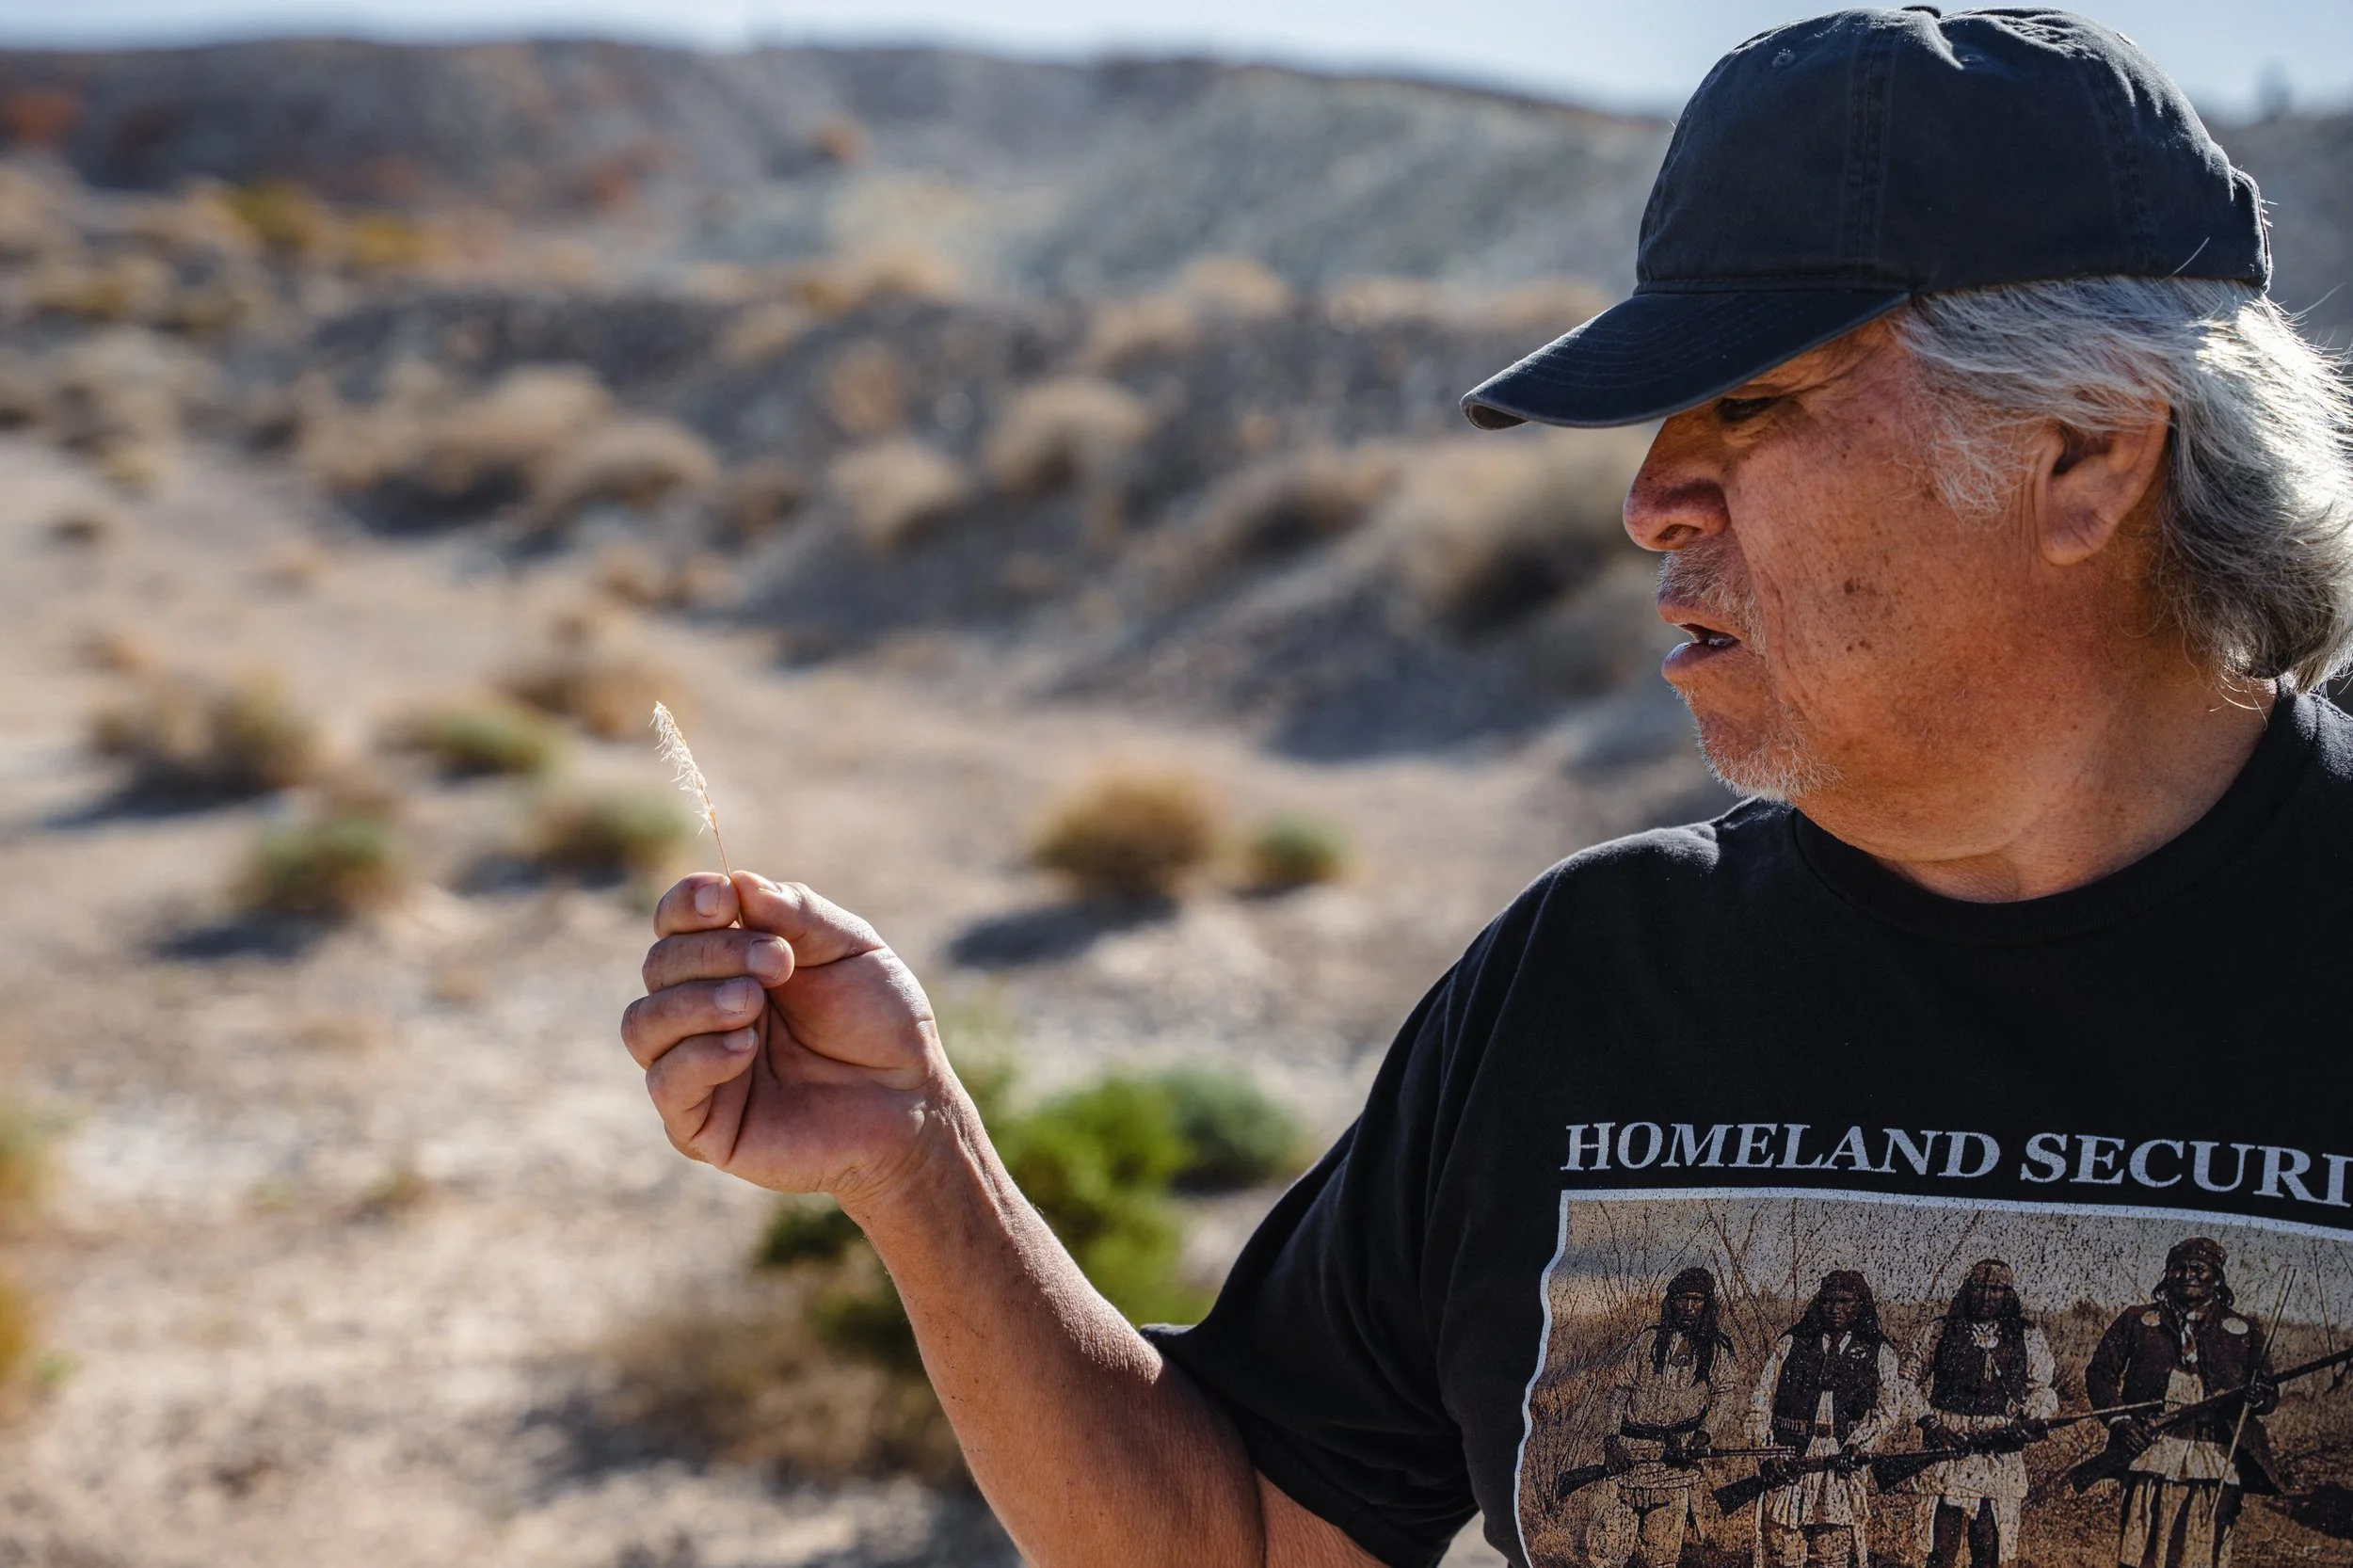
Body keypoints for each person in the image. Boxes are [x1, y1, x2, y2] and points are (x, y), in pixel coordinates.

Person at [619, 10, 2353, 1567]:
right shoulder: (1584, 980)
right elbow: (1238, 1540)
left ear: (2086, 454)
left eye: (1750, 401)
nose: (1653, 496)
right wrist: (920, 1161)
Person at [2084, 1240, 2281, 1568]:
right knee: (2140, 1555)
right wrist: (2121, 1423)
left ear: (2216, 1278)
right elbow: (2100, 1373)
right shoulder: (2136, 1320)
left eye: (2198, 1269)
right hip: (2149, 1453)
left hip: (2214, 1459)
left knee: (2201, 1556)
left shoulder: (2245, 1330)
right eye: (2179, 1268)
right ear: (2167, 1275)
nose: (2187, 1275)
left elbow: (2269, 1395)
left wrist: (2257, 1397)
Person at [1744, 1272, 1903, 1568]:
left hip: (1840, 1463)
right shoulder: (1792, 1343)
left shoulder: (1878, 1351)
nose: (1835, 1309)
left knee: (1831, 1554)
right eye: (1828, 1301)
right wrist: (1768, 1453)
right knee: (1782, 1551)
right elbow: (1760, 1400)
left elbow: (1890, 1411)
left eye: (1845, 1301)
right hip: (1789, 1457)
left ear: (1860, 1304)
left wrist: (1860, 1446)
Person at [1908, 1260, 2058, 1568]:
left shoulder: (2027, 1336)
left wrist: (2031, 1418)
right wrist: (1931, 1423)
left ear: (2008, 1293)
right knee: (1942, 1544)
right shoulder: (1938, 1331)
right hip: (1947, 1445)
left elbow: (2042, 1387)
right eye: (1979, 1287)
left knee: (1989, 1541)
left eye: (1996, 1289)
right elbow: (1904, 1382)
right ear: (1967, 1288)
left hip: (1997, 1448)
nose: (1986, 1296)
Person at [1585, 1268, 1737, 1568]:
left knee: (1662, 1557)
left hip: (1675, 1466)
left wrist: (1703, 1436)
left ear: (1707, 1304)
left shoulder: (1717, 1350)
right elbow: (1619, 1389)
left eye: (1697, 1300)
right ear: (1671, 1302)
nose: (1690, 1308)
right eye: (1683, 1300)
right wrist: (1612, 1442)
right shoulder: (1647, 1341)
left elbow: (1725, 1394)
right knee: (1607, 1554)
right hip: (1628, 1460)